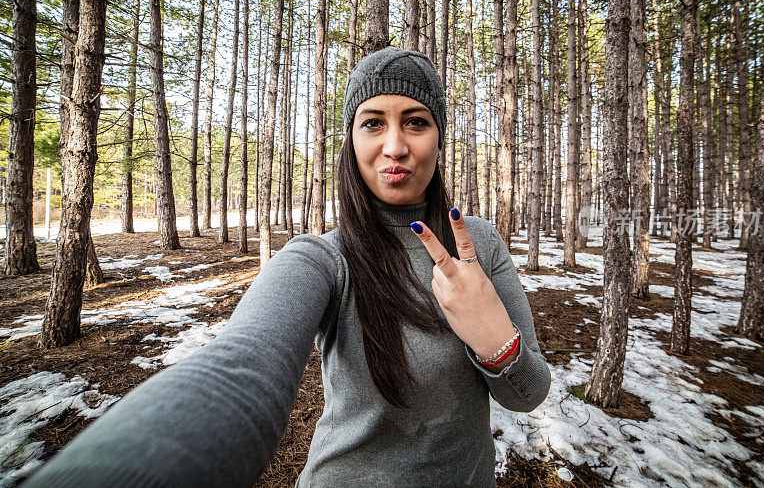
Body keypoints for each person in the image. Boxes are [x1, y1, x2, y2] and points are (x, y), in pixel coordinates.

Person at [22, 46, 551, 487]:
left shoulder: (477, 243)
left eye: (415, 122)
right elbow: (241, 368)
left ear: (439, 137)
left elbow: (526, 394)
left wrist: (494, 339)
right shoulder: (323, 258)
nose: (395, 146)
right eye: (373, 124)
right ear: (351, 141)